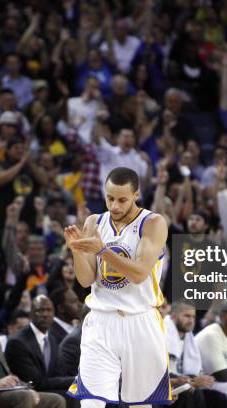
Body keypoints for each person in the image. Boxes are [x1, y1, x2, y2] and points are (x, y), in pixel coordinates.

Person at [64, 167, 171, 407]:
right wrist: (77, 252)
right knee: (90, 402)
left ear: (136, 195)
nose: (114, 206)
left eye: (122, 199)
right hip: (101, 322)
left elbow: (139, 273)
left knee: (140, 405)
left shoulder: (153, 223)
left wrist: (102, 250)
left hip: (140, 320)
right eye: (109, 198)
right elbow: (85, 280)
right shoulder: (94, 222)